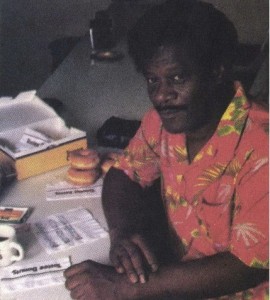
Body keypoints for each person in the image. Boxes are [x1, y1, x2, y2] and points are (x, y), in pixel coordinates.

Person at [64, 1, 269, 299]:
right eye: (152, 80)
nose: (161, 95)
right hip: (177, 279)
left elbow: (248, 265)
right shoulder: (164, 121)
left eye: (177, 78)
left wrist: (123, 288)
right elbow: (125, 174)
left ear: (216, 72)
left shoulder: (261, 146)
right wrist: (122, 234)